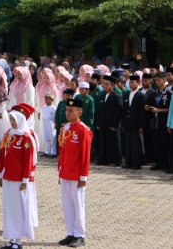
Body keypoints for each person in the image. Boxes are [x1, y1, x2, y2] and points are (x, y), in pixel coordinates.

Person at [0, 111, 37, 249]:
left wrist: (25, 180)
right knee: (10, 210)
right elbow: (3, 155)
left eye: (14, 120)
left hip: (19, 179)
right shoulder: (9, 135)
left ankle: (18, 241)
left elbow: (28, 160)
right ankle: (12, 239)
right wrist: (0, 175)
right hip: (8, 177)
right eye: (11, 120)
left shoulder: (26, 138)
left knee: (18, 210)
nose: (12, 123)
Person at [57, 98, 92, 248]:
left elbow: (85, 155)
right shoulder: (65, 128)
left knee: (78, 205)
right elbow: (62, 152)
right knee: (67, 206)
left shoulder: (83, 130)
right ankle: (70, 233)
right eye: (67, 110)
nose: (68, 113)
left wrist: (83, 177)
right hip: (65, 173)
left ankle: (80, 235)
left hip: (77, 175)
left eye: (71, 110)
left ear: (79, 112)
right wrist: (60, 171)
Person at [95, 74, 122, 166]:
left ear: (113, 85)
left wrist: (115, 125)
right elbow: (99, 111)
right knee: (103, 142)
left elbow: (118, 112)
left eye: (107, 84)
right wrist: (98, 123)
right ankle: (103, 160)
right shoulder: (102, 96)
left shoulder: (117, 96)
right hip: (103, 124)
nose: (105, 86)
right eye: (103, 84)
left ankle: (115, 161)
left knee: (113, 143)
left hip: (112, 124)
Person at [146, 73, 170, 171]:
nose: (157, 82)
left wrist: (158, 110)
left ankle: (166, 163)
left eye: (159, 80)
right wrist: (149, 107)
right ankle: (158, 163)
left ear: (164, 80)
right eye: (156, 80)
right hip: (155, 122)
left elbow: (170, 109)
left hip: (164, 122)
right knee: (157, 143)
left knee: (165, 143)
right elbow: (154, 105)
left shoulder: (169, 93)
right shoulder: (156, 92)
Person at [122, 74, 146, 170]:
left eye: (133, 82)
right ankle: (128, 163)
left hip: (136, 124)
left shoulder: (141, 95)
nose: (131, 84)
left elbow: (142, 112)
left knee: (136, 144)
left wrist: (141, 126)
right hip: (128, 123)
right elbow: (124, 110)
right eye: (130, 82)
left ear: (138, 83)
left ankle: (137, 163)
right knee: (128, 144)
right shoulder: (126, 94)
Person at [42, 93, 58, 157]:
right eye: (45, 99)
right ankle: (47, 152)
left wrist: (55, 123)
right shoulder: (44, 106)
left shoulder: (54, 108)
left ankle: (53, 152)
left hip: (51, 124)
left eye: (48, 99)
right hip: (45, 124)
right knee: (46, 137)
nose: (46, 101)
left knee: (52, 138)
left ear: (52, 100)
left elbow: (55, 117)